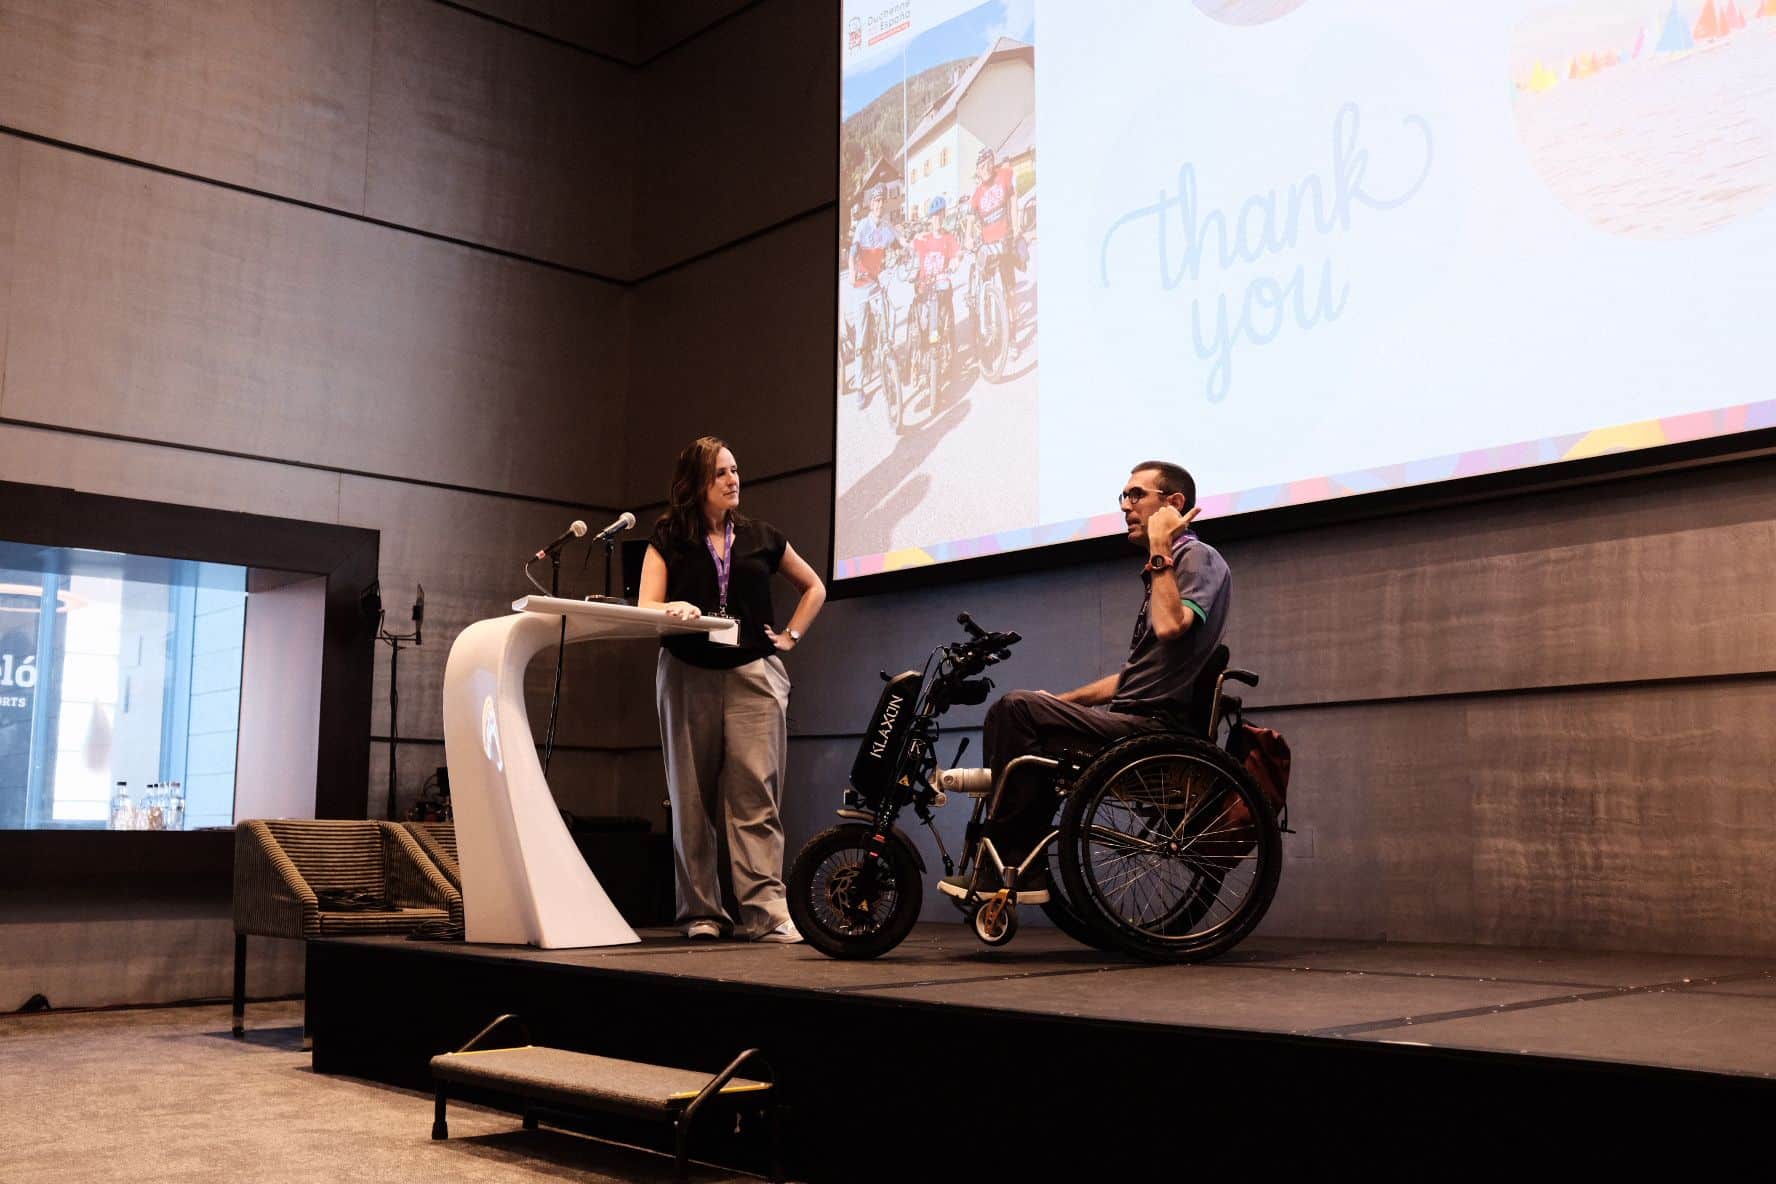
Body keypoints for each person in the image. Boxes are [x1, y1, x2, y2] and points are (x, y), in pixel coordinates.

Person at [939, 460, 1230, 901]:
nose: (1126, 506)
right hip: (1136, 720)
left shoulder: (1195, 557)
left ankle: (1012, 863)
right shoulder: (1171, 568)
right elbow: (1133, 678)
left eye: (1137, 495)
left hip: (1156, 728)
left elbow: (1172, 626)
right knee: (1023, 711)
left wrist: (1159, 547)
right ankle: (1018, 860)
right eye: (1124, 497)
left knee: (1013, 709)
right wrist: (1063, 701)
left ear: (1174, 503)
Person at [639, 436, 827, 941]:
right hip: (687, 672)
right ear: (696, 482)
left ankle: (767, 911)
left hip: (754, 676)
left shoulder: (762, 536)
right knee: (690, 798)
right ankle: (700, 912)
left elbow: (814, 586)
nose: (732, 480)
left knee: (756, 795)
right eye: (720, 472)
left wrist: (791, 636)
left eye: (735, 470)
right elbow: (646, 606)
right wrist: (672, 608)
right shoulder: (668, 537)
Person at [845, 187, 903, 406]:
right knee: (861, 338)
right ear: (870, 204)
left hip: (877, 284)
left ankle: (887, 354)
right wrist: (852, 270)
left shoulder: (886, 227)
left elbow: (899, 242)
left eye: (881, 201)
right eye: (876, 201)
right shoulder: (863, 226)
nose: (879, 205)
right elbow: (853, 251)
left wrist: (909, 249)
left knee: (891, 315)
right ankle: (860, 386)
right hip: (861, 286)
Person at [967, 146, 1022, 353]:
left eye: (988, 163)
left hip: (1005, 241)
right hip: (988, 246)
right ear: (977, 170)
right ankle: (987, 323)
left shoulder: (1004, 175)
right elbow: (970, 218)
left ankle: (1012, 337)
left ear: (993, 162)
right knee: (986, 287)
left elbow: (1013, 199)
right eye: (981, 166)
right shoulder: (977, 193)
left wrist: (1016, 225)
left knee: (1010, 292)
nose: (986, 168)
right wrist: (968, 237)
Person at [912, 195, 960, 356]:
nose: (937, 219)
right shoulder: (923, 238)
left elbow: (957, 255)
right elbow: (909, 248)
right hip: (926, 287)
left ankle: (945, 345)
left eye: (940, 214)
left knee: (944, 313)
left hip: (941, 287)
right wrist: (914, 238)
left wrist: (955, 262)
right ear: (930, 218)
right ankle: (924, 347)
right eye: (934, 215)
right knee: (923, 321)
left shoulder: (948, 238)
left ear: (944, 215)